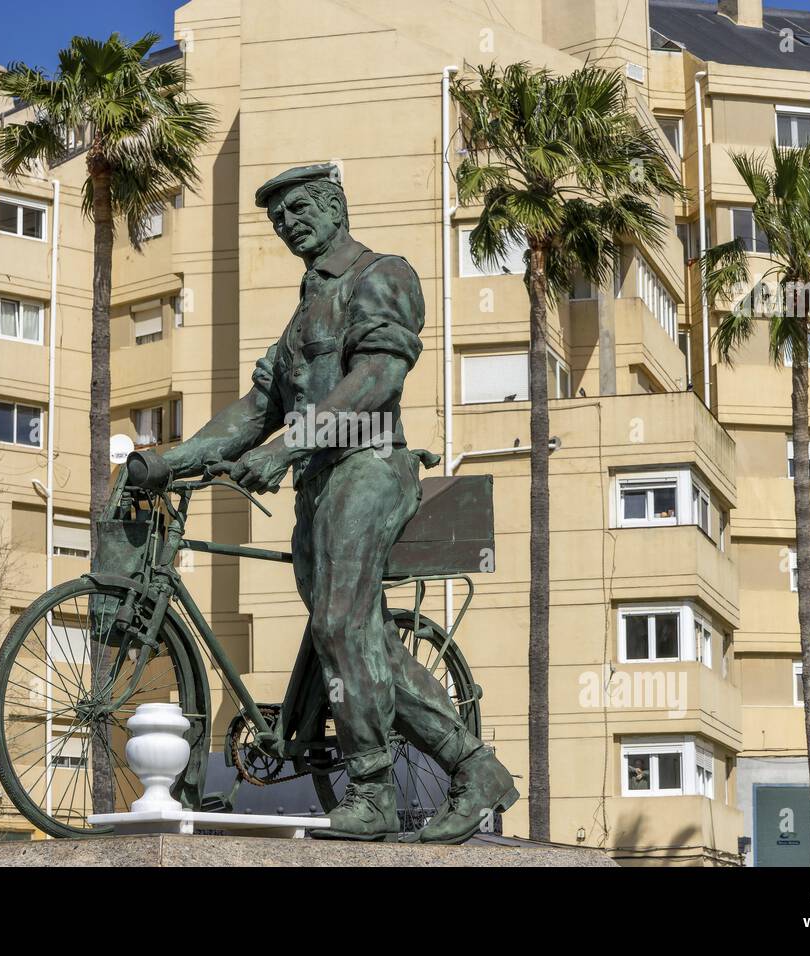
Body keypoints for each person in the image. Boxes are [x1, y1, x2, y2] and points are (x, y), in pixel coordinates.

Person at [152, 163, 516, 843]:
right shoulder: (298, 322)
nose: (290, 224)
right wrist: (165, 462)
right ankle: (476, 769)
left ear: (335, 204)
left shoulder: (383, 274)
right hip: (317, 487)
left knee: (342, 628)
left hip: (369, 467)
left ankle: (372, 791)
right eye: (279, 218)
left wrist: (288, 446)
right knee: (357, 639)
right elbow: (252, 411)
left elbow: (377, 378)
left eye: (300, 208)